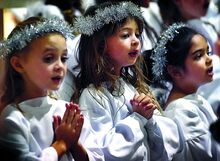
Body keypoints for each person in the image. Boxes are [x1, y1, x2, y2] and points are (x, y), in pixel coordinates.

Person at [71, 2, 180, 161]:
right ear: (101, 44)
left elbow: (167, 147)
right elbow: (105, 153)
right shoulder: (93, 96)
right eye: (125, 35)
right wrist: (138, 118)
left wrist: (149, 119)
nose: (135, 40)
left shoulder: (131, 87)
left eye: (137, 34)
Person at [0, 16, 93, 161]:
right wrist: (61, 144)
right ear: (18, 64)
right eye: (49, 58)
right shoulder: (12, 118)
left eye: (63, 58)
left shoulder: (66, 111)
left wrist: (74, 144)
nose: (60, 66)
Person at [151, 23, 220, 161]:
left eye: (208, 52)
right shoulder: (181, 110)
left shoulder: (195, 100)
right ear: (175, 71)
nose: (208, 60)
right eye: (198, 56)